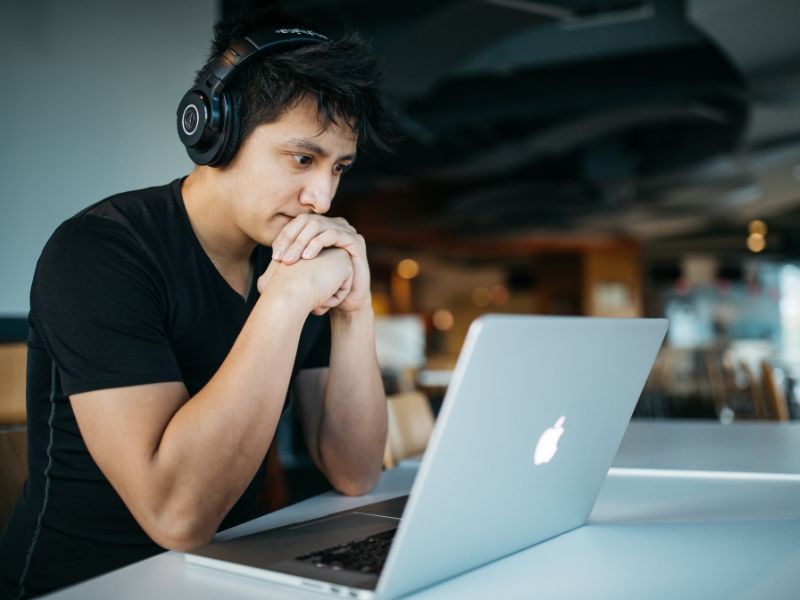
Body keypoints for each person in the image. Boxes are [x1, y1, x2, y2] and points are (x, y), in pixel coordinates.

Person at [0, 9, 393, 598]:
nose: (323, 196)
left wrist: (354, 309)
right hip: (87, 583)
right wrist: (283, 301)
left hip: (227, 575)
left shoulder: (286, 252)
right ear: (217, 131)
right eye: (302, 158)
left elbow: (355, 471)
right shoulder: (99, 252)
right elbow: (176, 517)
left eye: (339, 167)